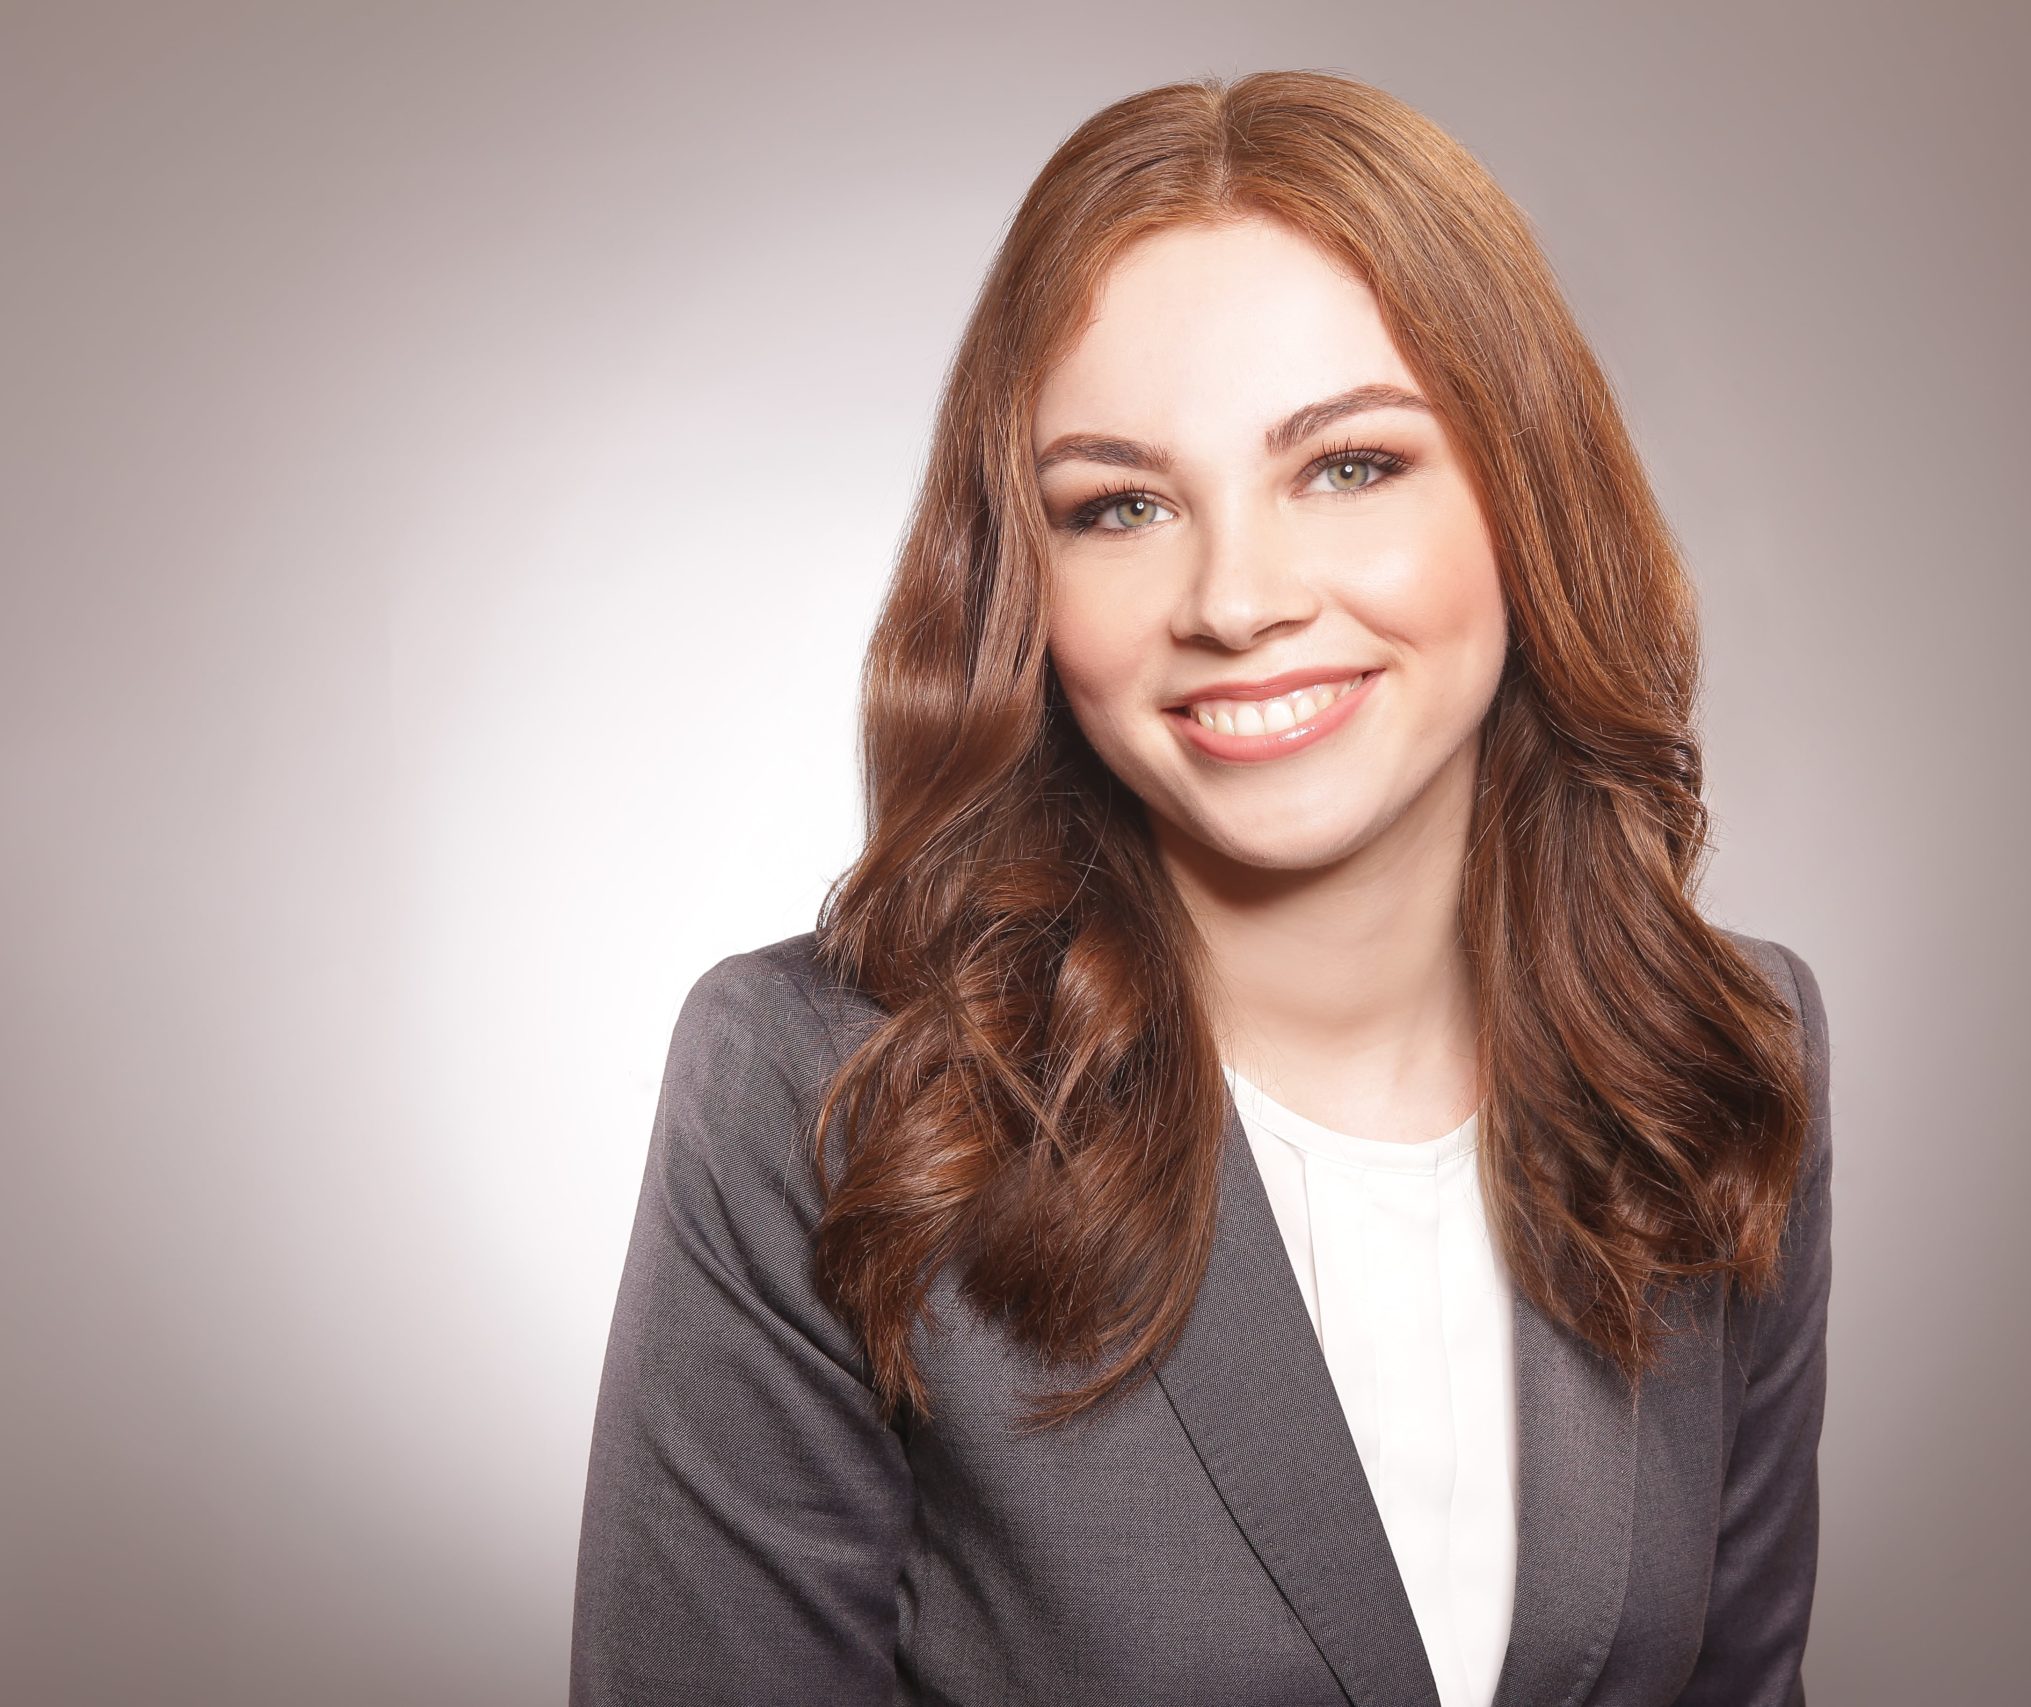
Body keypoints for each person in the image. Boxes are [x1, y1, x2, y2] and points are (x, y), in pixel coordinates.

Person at [570, 68, 1834, 1707]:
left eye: (1349, 467)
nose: (1236, 601)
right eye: (1122, 506)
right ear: (1025, 584)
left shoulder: (1720, 1049)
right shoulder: (816, 1088)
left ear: (1526, 496)